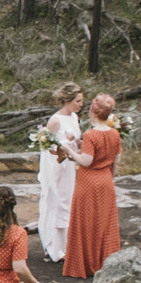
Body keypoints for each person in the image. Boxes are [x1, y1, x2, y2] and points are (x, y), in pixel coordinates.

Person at [61, 93, 124, 280]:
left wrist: (69, 151)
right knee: (105, 223)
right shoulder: (115, 133)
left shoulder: (91, 134)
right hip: (106, 181)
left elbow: (86, 161)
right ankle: (105, 262)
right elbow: (117, 161)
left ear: (93, 112)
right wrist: (108, 177)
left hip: (88, 182)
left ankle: (85, 265)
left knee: (86, 222)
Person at [35, 83, 84, 263]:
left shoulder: (75, 117)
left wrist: (75, 145)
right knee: (55, 201)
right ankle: (53, 246)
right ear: (68, 100)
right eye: (78, 101)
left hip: (70, 168)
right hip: (57, 167)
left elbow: (76, 141)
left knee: (68, 202)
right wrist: (60, 150)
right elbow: (45, 145)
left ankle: (65, 245)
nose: (80, 105)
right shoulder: (55, 120)